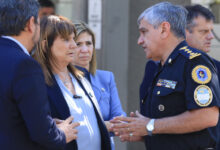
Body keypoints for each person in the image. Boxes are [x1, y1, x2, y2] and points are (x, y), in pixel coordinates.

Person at [111, 2, 220, 150]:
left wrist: (150, 126)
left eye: (144, 32)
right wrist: (142, 131)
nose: (140, 40)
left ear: (164, 29)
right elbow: (170, 126)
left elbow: (207, 116)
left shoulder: (194, 62)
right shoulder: (161, 67)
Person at [0, 0, 79, 150]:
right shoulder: (25, 65)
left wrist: (48, 124)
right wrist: (62, 133)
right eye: (38, 22)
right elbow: (42, 133)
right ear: (30, 24)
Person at [33, 15, 111, 150]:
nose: (74, 45)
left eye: (73, 39)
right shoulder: (38, 83)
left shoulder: (82, 76)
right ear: (45, 45)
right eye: (66, 40)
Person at [72, 22, 126, 150]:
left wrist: (101, 126)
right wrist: (105, 125)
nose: (85, 50)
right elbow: (72, 126)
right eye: (78, 44)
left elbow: (120, 118)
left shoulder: (106, 78)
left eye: (88, 43)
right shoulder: (62, 80)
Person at [185, 4, 220, 146]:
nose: (211, 37)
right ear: (184, 32)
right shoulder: (159, 67)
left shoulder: (216, 68)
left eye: (211, 31)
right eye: (204, 31)